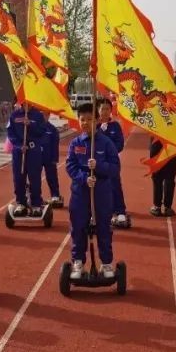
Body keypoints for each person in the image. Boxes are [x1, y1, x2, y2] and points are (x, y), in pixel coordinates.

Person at [66, 103, 120, 279]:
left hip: (102, 192)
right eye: (83, 119)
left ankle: (106, 263)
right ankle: (78, 263)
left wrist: (99, 166)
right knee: (78, 228)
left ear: (97, 120)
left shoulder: (106, 143)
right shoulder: (76, 143)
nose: (86, 123)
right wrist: (84, 177)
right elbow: (70, 165)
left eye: (90, 119)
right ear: (78, 121)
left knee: (104, 228)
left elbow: (115, 168)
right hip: (80, 192)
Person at [7, 101, 47, 215]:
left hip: (33, 151)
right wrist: (19, 145)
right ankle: (21, 203)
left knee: (34, 178)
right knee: (19, 178)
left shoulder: (38, 115)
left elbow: (42, 132)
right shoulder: (14, 115)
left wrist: (31, 124)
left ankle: (36, 204)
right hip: (19, 152)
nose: (26, 103)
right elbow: (10, 133)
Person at [96, 99, 127, 224]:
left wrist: (108, 149)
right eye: (102, 109)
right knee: (96, 187)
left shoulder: (115, 126)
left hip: (112, 163)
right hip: (97, 163)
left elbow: (120, 145)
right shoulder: (95, 126)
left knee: (115, 186)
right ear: (98, 110)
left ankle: (120, 211)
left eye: (107, 109)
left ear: (111, 111)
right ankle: (97, 211)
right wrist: (100, 131)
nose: (104, 112)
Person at [149, 137, 176, 216]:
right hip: (172, 146)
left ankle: (157, 206)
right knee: (169, 178)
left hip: (157, 145)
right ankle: (167, 207)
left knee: (157, 178)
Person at [42, 118, 63, 207]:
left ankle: (55, 195)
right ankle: (35, 197)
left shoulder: (52, 129)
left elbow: (55, 145)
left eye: (45, 113)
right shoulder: (34, 127)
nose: (43, 115)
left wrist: (55, 158)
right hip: (36, 157)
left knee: (52, 177)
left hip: (49, 157)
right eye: (41, 113)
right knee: (34, 178)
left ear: (48, 114)